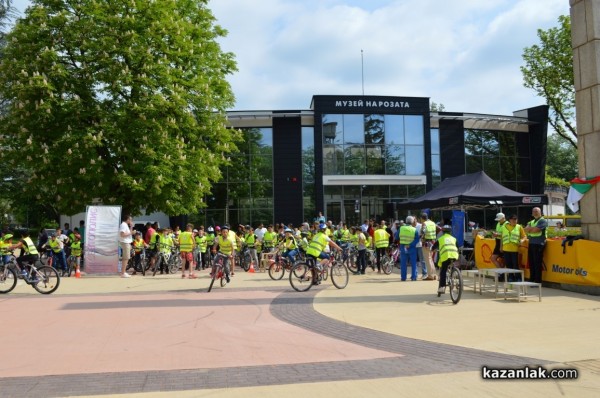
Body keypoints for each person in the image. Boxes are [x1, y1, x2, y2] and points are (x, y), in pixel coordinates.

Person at [433, 225, 460, 294]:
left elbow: (433, 248)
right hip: (454, 255)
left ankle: (442, 287)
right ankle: (455, 276)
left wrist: (432, 250)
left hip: (445, 256)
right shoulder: (454, 239)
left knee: (443, 270)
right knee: (452, 266)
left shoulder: (441, 239)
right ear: (450, 232)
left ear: (443, 232)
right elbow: (458, 247)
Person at [524, 207, 547, 284]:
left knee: (537, 263)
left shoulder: (543, 221)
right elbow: (525, 230)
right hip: (531, 243)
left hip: (539, 243)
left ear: (540, 212)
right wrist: (532, 229)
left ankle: (537, 281)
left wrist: (530, 229)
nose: (535, 212)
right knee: (531, 262)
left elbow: (536, 230)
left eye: (536, 211)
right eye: (533, 211)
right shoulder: (532, 221)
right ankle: (532, 279)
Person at [500, 214, 526, 282]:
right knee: (508, 265)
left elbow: (524, 236)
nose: (514, 220)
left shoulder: (519, 227)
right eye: (513, 219)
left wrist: (522, 240)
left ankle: (518, 278)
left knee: (516, 265)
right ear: (509, 220)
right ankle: (511, 277)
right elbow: (502, 237)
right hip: (506, 249)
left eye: (515, 219)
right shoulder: (504, 226)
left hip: (515, 249)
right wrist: (501, 246)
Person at [398, 216, 419, 281]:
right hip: (412, 248)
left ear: (406, 221)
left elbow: (396, 237)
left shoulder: (401, 228)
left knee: (403, 264)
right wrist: (410, 244)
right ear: (412, 222)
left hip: (403, 248)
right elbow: (417, 239)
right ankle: (414, 277)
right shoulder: (414, 229)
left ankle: (403, 278)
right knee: (413, 263)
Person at [420, 213, 439, 280]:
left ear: (422, 218)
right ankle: (434, 275)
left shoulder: (424, 224)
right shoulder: (433, 223)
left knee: (428, 260)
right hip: (433, 242)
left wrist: (421, 237)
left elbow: (423, 232)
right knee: (431, 259)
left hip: (426, 243)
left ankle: (430, 275)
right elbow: (439, 229)